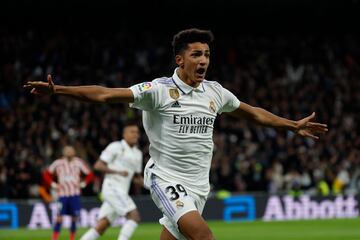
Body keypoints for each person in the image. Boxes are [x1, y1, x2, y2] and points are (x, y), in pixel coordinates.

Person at [25, 28, 328, 240]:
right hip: (166, 179)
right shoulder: (157, 91)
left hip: (199, 186)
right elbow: (105, 94)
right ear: (180, 60)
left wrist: (292, 125)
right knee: (203, 235)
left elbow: (252, 113)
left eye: (207, 54)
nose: (204, 60)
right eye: (196, 54)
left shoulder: (215, 92)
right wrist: (59, 90)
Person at [80, 121, 143, 240]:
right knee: (134, 216)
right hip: (112, 188)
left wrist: (151, 185)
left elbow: (136, 177)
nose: (135, 134)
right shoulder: (115, 147)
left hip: (122, 192)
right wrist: (117, 172)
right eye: (132, 132)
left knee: (102, 226)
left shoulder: (138, 153)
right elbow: (98, 165)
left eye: (137, 132)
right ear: (124, 134)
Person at [43, 145, 94, 240]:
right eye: (67, 151)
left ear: (74, 152)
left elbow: (90, 174)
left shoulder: (78, 162)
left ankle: (72, 238)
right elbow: (46, 174)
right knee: (59, 218)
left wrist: (83, 184)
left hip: (75, 194)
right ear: (64, 152)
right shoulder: (58, 163)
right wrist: (53, 184)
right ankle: (54, 238)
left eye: (71, 151)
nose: (69, 152)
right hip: (62, 195)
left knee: (75, 217)